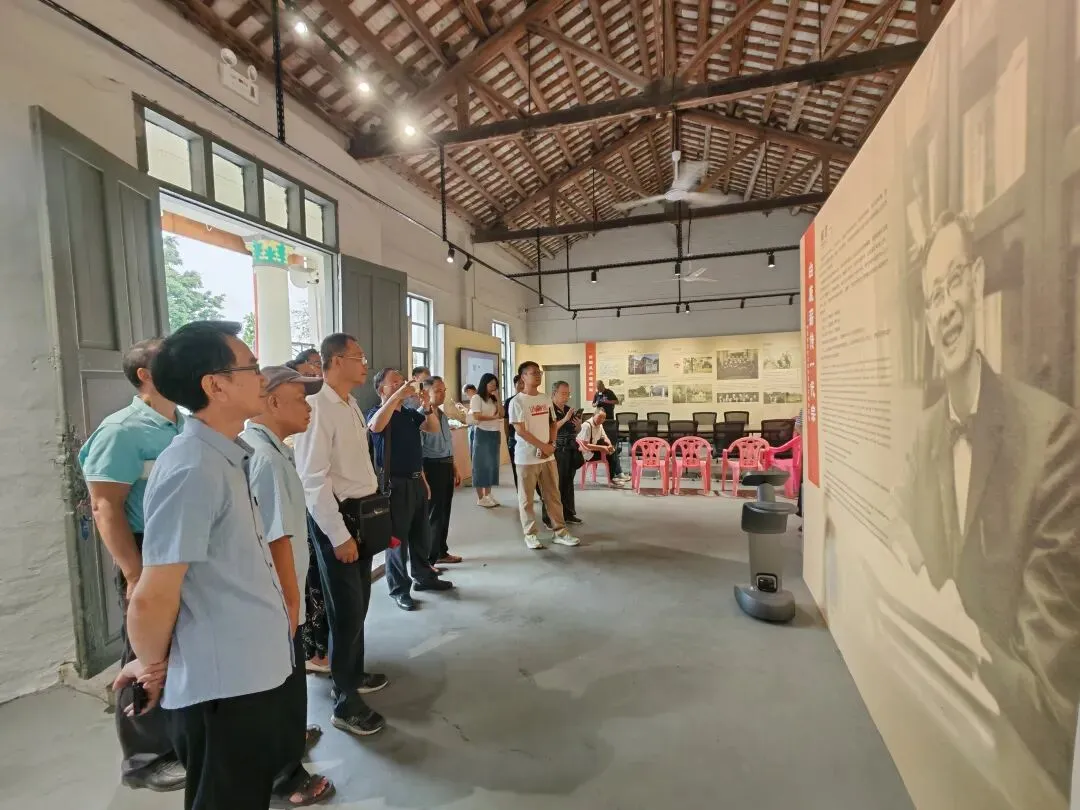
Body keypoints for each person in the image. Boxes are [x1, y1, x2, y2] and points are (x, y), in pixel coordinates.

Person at [896, 210, 1080, 793]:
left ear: (977, 282)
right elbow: (904, 554)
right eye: (933, 295)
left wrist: (960, 641)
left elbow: (1052, 702)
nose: (946, 307)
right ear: (927, 320)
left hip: (1012, 767)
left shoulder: (1052, 441)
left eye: (954, 281)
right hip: (929, 732)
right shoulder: (924, 438)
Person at [114, 321, 295, 810]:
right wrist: (151, 666)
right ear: (216, 385)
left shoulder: (224, 457)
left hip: (248, 671)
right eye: (251, 368)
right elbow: (154, 593)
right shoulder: (192, 467)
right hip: (224, 685)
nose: (262, 377)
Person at [78, 339, 185, 793]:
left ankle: (178, 739)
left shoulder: (181, 423)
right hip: (146, 552)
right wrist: (135, 573)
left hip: (180, 548)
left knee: (175, 648)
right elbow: (105, 507)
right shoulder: (121, 430)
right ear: (145, 375)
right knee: (144, 653)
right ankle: (144, 759)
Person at [242, 366, 334, 808]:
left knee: (289, 684)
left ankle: (291, 739)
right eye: (300, 398)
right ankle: (286, 776)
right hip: (280, 600)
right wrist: (291, 606)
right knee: (279, 688)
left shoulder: (272, 450)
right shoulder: (265, 459)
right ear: (272, 401)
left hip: (284, 596)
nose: (308, 407)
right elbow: (274, 540)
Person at [293, 334, 388, 738]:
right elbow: (313, 480)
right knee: (345, 609)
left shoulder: (348, 404)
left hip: (361, 514)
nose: (364, 364)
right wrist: (338, 535)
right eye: (358, 357)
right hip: (339, 519)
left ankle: (353, 672)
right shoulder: (318, 407)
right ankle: (345, 701)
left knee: (359, 601)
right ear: (334, 361)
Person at [367, 367, 454, 611]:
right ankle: (399, 589)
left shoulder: (408, 414)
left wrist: (426, 405)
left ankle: (424, 577)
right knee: (397, 541)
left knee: (420, 534)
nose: (401, 385)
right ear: (381, 389)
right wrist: (397, 396)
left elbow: (432, 428)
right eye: (394, 382)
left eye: (402, 381)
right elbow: (375, 427)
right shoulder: (376, 413)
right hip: (394, 485)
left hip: (416, 481)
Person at [509, 362, 580, 550]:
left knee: (553, 495)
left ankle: (560, 532)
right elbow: (520, 430)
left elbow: (552, 424)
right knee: (527, 499)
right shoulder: (517, 402)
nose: (538, 375)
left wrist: (551, 445)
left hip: (548, 456)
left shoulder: (545, 398)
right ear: (523, 377)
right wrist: (542, 446)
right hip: (526, 458)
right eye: (533, 373)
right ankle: (530, 534)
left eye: (539, 372)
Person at [420, 376, 463, 566]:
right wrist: (423, 478)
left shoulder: (442, 415)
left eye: (443, 390)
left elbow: (448, 445)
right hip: (432, 467)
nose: (442, 394)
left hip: (446, 465)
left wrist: (455, 467)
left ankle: (441, 552)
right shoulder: (422, 416)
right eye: (437, 391)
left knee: (445, 511)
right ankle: (429, 560)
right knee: (434, 514)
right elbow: (418, 449)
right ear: (425, 393)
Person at [544, 381, 583, 525]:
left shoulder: (568, 409)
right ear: (554, 393)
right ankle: (549, 517)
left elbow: (575, 431)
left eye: (568, 394)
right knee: (554, 485)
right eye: (563, 394)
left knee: (568, 483)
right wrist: (565, 418)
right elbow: (550, 429)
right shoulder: (548, 409)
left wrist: (578, 426)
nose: (566, 397)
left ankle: (568, 513)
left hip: (570, 449)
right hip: (556, 450)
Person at [470, 373, 503, 507]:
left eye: (495, 384)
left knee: (492, 465)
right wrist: (493, 418)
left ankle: (488, 494)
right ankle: (480, 497)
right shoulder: (476, 398)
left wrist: (498, 398)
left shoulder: (493, 399)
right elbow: (476, 416)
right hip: (482, 433)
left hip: (495, 433)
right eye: (491, 384)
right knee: (480, 465)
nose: (493, 386)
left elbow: (502, 414)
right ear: (484, 384)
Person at [577, 408, 625, 488]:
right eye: (599, 417)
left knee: (612, 450)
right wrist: (602, 448)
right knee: (612, 454)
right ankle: (614, 477)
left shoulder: (600, 425)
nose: (601, 420)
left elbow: (605, 437)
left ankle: (617, 475)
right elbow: (585, 445)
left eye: (604, 418)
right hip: (586, 454)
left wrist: (609, 445)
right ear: (593, 415)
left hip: (593, 450)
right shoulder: (587, 425)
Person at [591, 380, 626, 480]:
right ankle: (617, 474)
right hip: (595, 449)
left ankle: (615, 474)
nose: (598, 389)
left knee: (612, 447)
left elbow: (616, 401)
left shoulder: (609, 392)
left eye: (600, 387)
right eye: (597, 388)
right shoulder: (597, 394)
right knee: (612, 449)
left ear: (603, 385)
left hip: (609, 419)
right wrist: (596, 403)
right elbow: (593, 404)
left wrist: (607, 402)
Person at [504, 374, 525, 487]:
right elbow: (506, 422)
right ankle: (520, 491)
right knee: (516, 468)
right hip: (514, 439)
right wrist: (507, 437)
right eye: (519, 383)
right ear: (514, 385)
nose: (522, 385)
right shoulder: (509, 401)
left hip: (529, 439)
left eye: (524, 383)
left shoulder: (529, 399)